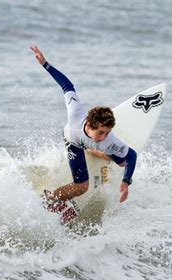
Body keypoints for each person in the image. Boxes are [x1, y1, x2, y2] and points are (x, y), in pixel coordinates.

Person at [30, 46, 137, 223]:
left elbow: (132, 155)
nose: (104, 135)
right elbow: (66, 85)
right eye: (101, 132)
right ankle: (51, 199)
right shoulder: (75, 112)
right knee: (82, 187)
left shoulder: (108, 140)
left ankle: (98, 153)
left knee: (122, 161)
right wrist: (45, 64)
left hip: (101, 147)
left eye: (108, 132)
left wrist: (126, 181)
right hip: (73, 141)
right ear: (89, 124)